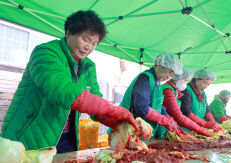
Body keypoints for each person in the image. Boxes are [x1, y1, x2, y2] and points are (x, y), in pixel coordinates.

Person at [1, 10, 138, 153]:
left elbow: (96, 101)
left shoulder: (88, 66)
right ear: (68, 32)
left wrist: (118, 122)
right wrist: (112, 109)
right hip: (30, 136)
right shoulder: (46, 53)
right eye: (85, 39)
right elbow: (62, 90)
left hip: (67, 138)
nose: (88, 47)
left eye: (94, 43)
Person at [110, 53, 186, 140]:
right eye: (170, 71)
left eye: (172, 74)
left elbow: (159, 106)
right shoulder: (144, 78)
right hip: (127, 133)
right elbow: (141, 108)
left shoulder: (157, 84)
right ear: (160, 65)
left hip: (142, 134)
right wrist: (165, 121)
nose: (170, 76)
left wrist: (169, 119)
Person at [162, 68, 213, 136]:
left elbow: (207, 109)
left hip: (171, 127)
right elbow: (179, 115)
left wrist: (210, 123)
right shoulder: (168, 90)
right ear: (176, 78)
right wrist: (201, 127)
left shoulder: (175, 91)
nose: (186, 84)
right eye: (185, 81)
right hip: (164, 128)